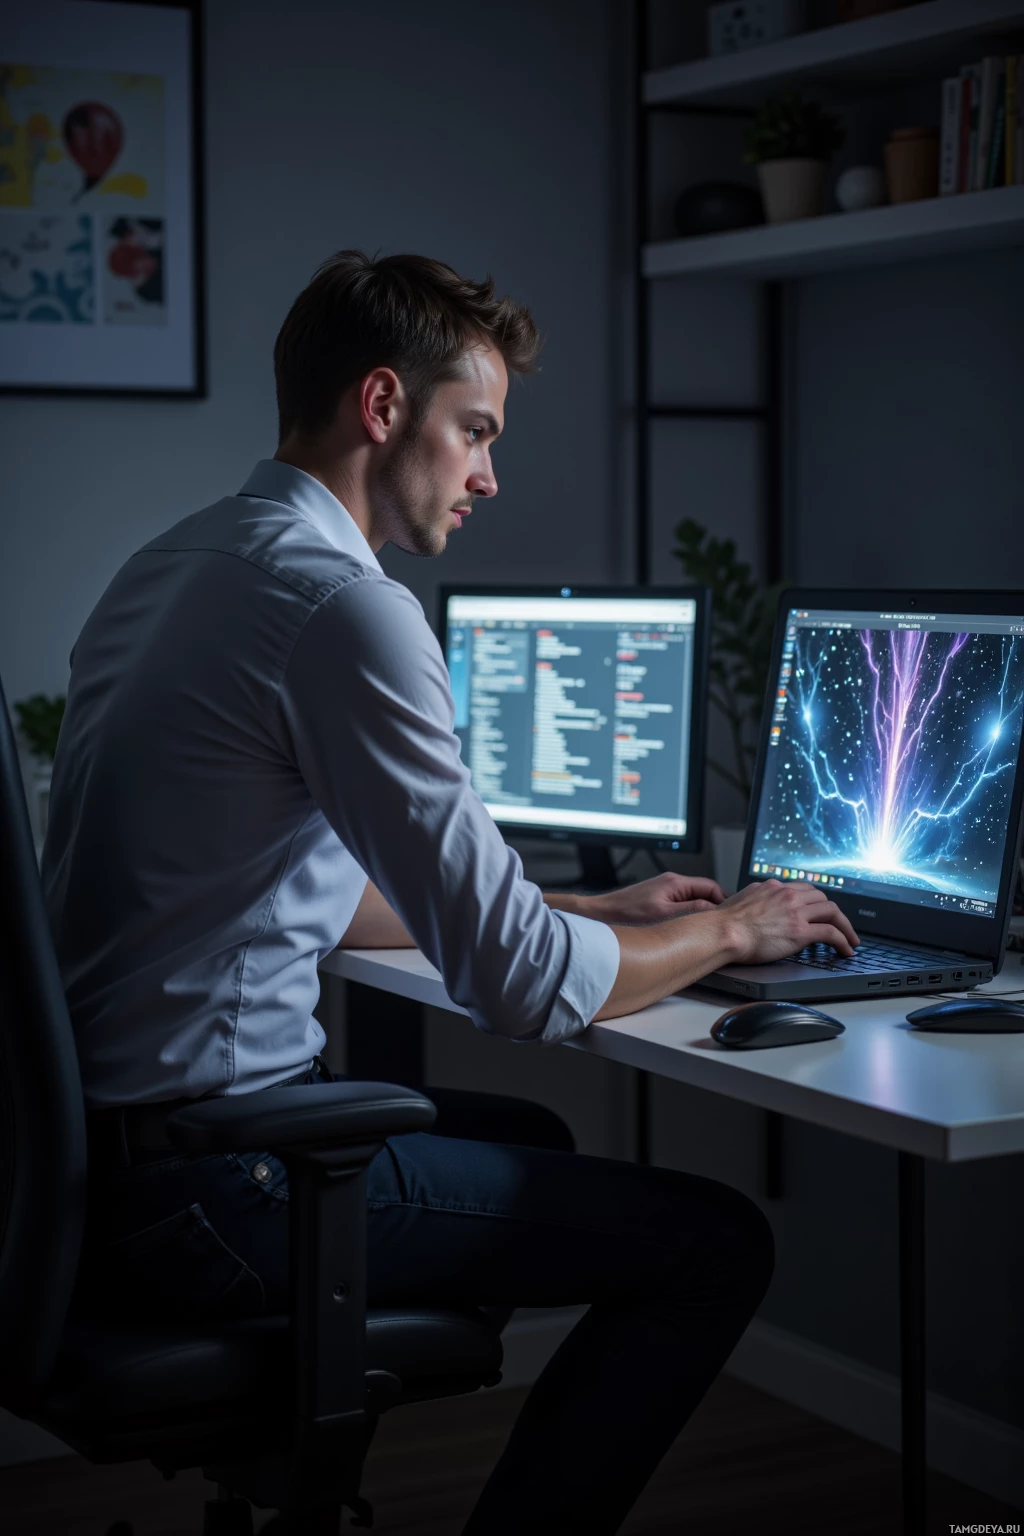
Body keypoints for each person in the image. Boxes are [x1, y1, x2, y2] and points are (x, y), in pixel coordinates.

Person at [43, 250, 859, 1534]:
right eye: (474, 430)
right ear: (383, 408)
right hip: (219, 1188)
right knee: (715, 1244)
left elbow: (271, 893)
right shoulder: (342, 608)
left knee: (529, 1145)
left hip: (93, 1169)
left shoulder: (177, 564)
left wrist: (590, 910)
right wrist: (731, 926)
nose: (488, 474)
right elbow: (522, 988)